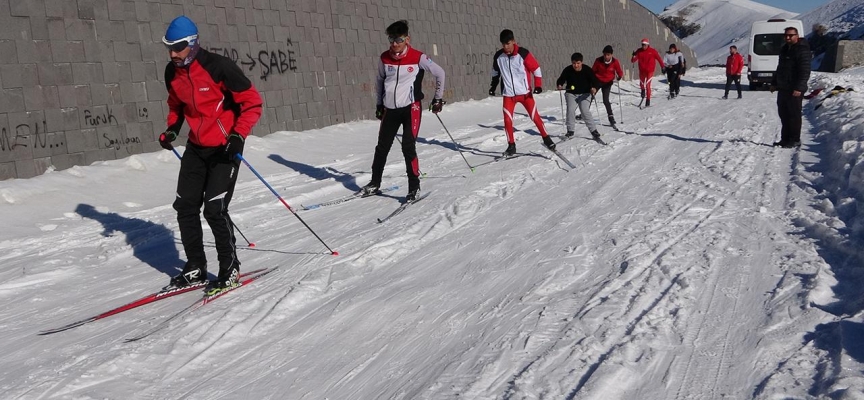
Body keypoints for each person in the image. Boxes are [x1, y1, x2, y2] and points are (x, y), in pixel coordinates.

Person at [158, 16, 263, 292]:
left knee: (215, 209)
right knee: (185, 206)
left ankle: (230, 269)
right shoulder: (172, 72)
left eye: (178, 47)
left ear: (192, 44)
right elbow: (176, 105)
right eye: (169, 47)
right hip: (196, 147)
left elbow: (252, 103)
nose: (173, 53)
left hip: (224, 147)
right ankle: (195, 267)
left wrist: (238, 135)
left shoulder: (219, 67)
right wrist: (172, 130)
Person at [360, 20, 446, 202]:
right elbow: (380, 81)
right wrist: (378, 104)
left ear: (407, 39)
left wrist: (438, 98)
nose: (394, 44)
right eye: (391, 39)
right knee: (382, 146)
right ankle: (375, 183)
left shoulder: (418, 57)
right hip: (390, 109)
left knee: (408, 145)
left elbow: (440, 73)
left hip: (411, 108)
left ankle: (414, 188)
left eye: (398, 39)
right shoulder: (384, 58)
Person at [489, 29, 557, 156]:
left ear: (514, 41)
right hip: (509, 95)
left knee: (534, 117)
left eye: (508, 43)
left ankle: (547, 139)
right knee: (507, 120)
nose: (506, 47)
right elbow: (495, 72)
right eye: (503, 44)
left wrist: (538, 86)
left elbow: (536, 69)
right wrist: (493, 86)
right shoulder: (499, 56)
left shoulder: (523, 53)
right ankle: (511, 146)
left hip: (525, 94)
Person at [770, 26, 811, 148]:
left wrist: (799, 87)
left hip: (794, 89)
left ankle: (795, 139)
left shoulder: (802, 50)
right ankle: (785, 138)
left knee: (793, 115)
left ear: (796, 36)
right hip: (783, 88)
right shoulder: (784, 49)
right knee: (784, 114)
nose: (787, 37)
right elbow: (780, 68)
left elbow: (805, 71)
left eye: (790, 35)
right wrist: (774, 83)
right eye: (786, 35)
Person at [557, 53, 601, 140]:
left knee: (584, 110)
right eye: (574, 63)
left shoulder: (587, 70)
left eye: (578, 63)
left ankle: (593, 131)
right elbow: (561, 79)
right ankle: (570, 131)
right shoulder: (568, 70)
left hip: (585, 94)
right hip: (571, 93)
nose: (576, 65)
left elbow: (596, 81)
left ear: (581, 62)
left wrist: (594, 88)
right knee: (570, 109)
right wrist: (559, 84)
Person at [592, 45, 624, 126]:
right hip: (598, 81)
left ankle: (610, 116)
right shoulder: (598, 60)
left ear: (611, 55)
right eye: (605, 54)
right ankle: (584, 113)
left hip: (608, 82)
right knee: (590, 96)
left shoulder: (615, 62)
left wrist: (619, 76)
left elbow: (619, 71)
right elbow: (592, 71)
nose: (606, 56)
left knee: (605, 100)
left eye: (608, 55)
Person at [630, 38, 665, 107]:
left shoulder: (652, 51)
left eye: (645, 45)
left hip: (650, 71)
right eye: (642, 45)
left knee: (648, 85)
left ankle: (648, 100)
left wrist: (662, 67)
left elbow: (659, 58)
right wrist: (633, 55)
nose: (643, 46)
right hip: (642, 71)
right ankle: (643, 91)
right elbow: (633, 61)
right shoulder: (639, 51)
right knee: (641, 84)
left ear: (647, 45)